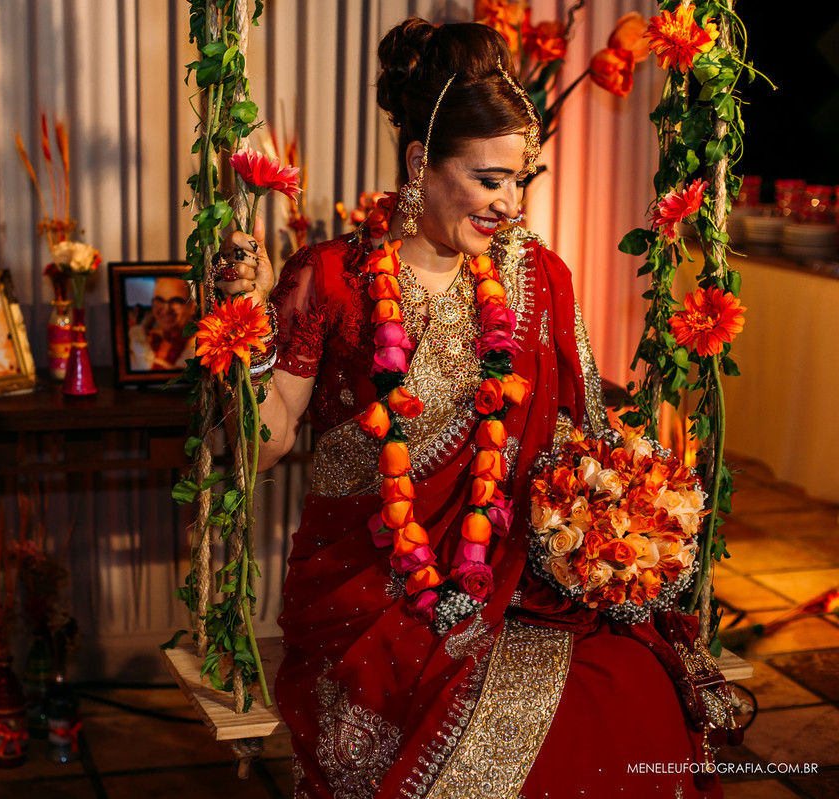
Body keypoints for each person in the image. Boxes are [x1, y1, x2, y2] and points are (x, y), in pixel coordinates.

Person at [213, 20, 732, 798]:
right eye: (490, 180)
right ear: (422, 163)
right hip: (372, 595)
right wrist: (245, 332)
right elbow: (265, 439)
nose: (510, 204)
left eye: (520, 182)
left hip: (519, 586)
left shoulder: (540, 278)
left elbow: (585, 437)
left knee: (627, 688)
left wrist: (631, 520)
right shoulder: (329, 277)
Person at [128, 277, 196, 371]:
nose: (166, 310)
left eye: (176, 301)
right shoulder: (137, 338)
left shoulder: (199, 346)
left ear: (192, 307)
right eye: (159, 300)